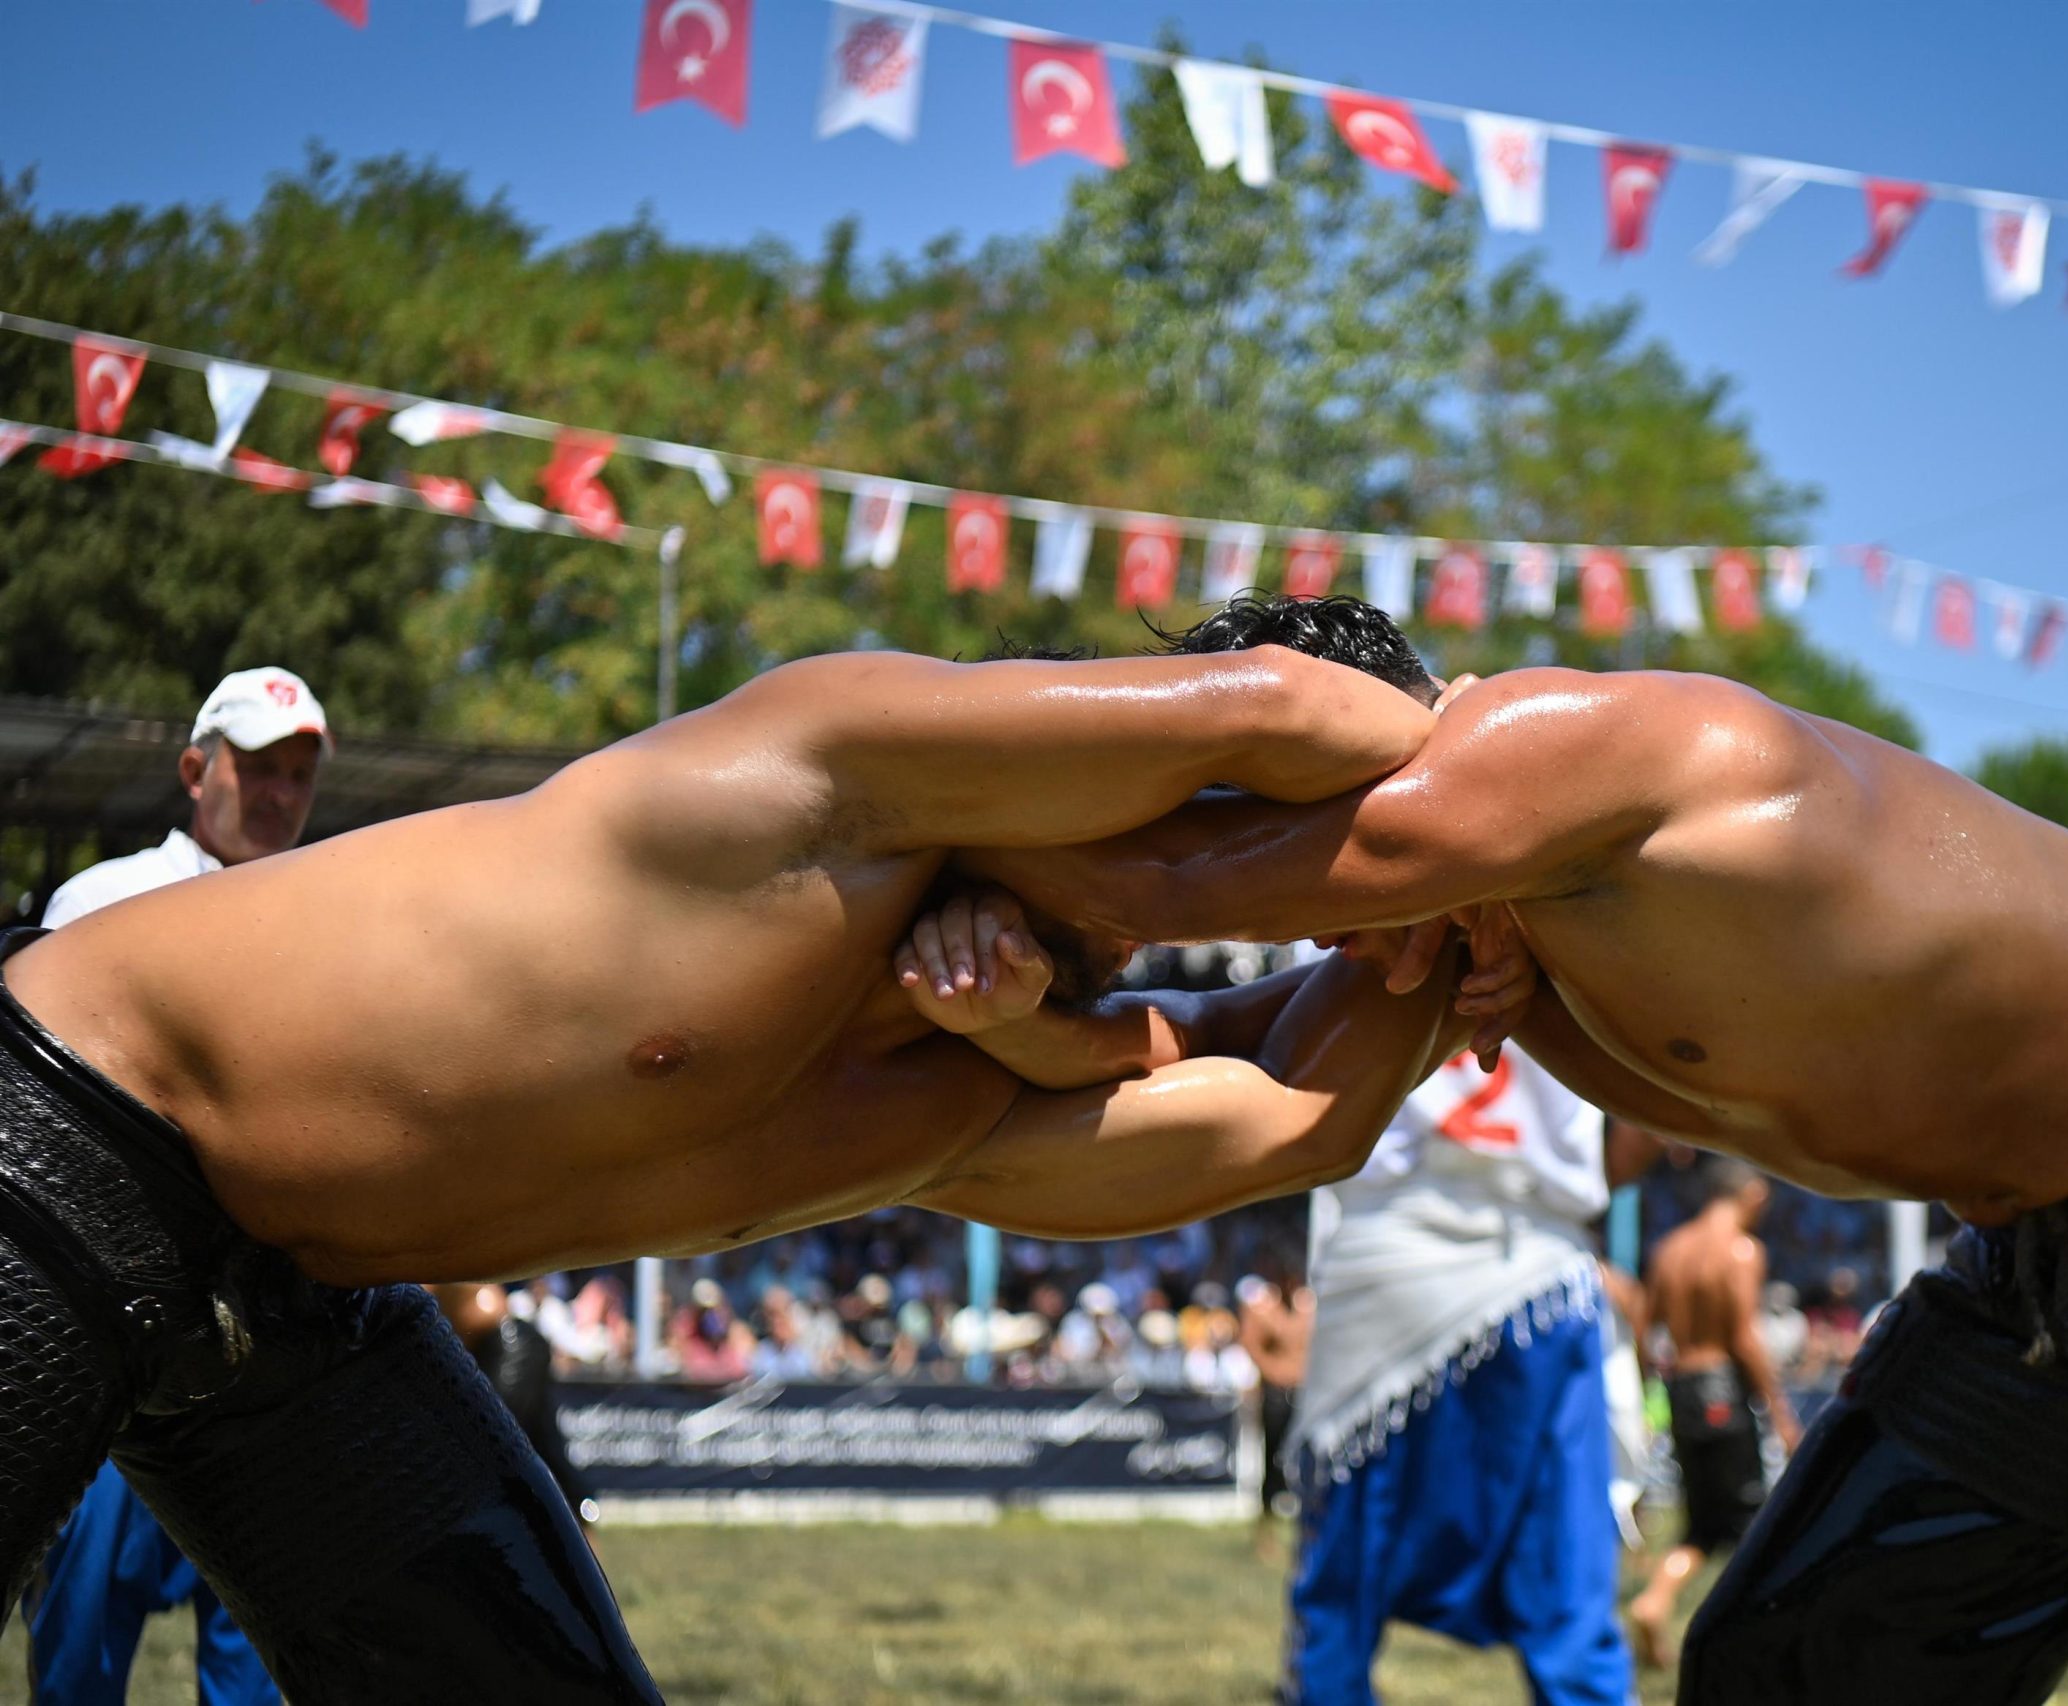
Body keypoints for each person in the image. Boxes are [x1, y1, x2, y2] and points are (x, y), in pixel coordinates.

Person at [976, 612, 2068, 1705]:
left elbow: (1196, 885)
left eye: (1285, 827)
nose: (1342, 943)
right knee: (1796, 1665)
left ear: (1367, 753)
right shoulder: (1458, 921)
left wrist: (949, 846)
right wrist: (987, 993)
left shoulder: (1552, 740)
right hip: (2062, 1252)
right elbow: (1228, 1032)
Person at [0, 638, 1463, 1702]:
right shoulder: (820, 766)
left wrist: (1458, 932)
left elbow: (1301, 1117)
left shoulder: (943, 1096)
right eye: (1203, 855)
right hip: (63, 1127)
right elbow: (1270, 702)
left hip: (302, 1310)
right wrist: (1487, 782)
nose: (1164, 915)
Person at [19, 666, 328, 1706]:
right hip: (117, 1362)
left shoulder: (332, 926)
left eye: (299, 773)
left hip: (263, 1359)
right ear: (197, 769)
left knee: (256, 1670)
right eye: (258, 766)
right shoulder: (103, 902)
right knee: (77, 1665)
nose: (280, 792)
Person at [1280, 1041, 1635, 1706]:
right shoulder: (1608, 934)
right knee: (1566, 1560)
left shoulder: (1322, 933)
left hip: (1388, 1252)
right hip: (1540, 1258)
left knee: (1343, 1572)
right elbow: (1647, 1118)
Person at [1626, 1158, 1800, 1671]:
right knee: (1753, 1524)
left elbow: (1643, 1325)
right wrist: (1781, 1409)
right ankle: (1758, 1640)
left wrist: (1649, 1389)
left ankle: (1654, 1599)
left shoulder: (1671, 1248)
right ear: (1748, 1194)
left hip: (1680, 1388)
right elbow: (1745, 1336)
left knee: (1703, 1524)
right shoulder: (1741, 1251)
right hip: (1722, 1389)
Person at [431, 1281, 599, 1535]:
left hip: (509, 1345)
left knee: (487, 1443)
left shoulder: (411, 1262)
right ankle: (580, 1509)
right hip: (500, 1345)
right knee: (540, 1443)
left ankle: (577, 1513)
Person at [1234, 1268, 1312, 1563]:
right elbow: (1251, 1343)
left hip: (1303, 1393)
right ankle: (1265, 1532)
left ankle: (1304, 1532)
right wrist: (1274, 1372)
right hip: (1277, 1395)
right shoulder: (1263, 1308)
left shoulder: (1308, 1306)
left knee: (1303, 1464)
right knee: (1273, 1461)